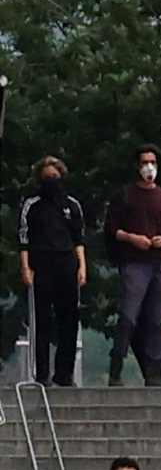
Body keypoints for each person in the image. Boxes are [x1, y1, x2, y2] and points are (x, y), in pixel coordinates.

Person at [103, 145, 161, 387]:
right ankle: (117, 365)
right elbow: (111, 229)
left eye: (153, 162)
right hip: (134, 262)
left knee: (158, 318)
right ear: (137, 166)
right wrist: (132, 238)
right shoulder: (126, 195)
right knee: (129, 316)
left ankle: (154, 369)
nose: (149, 167)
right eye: (145, 162)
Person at [19, 156, 90, 387]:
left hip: (66, 261)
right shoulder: (32, 205)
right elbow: (23, 238)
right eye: (47, 176)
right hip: (41, 262)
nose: (52, 180)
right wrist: (26, 267)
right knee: (42, 320)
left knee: (68, 318)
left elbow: (78, 238)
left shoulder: (72, 205)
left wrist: (82, 266)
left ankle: (64, 373)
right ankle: (41, 373)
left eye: (55, 176)